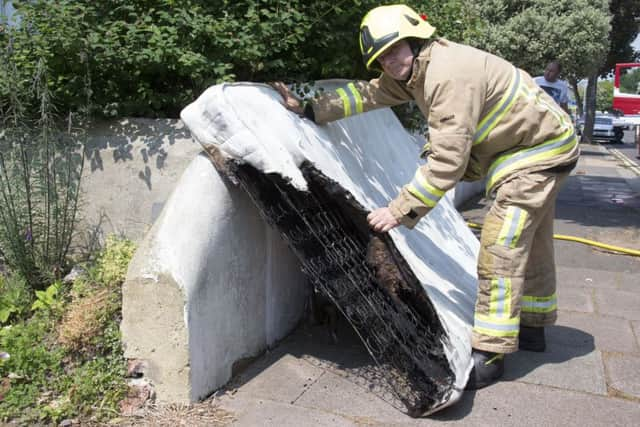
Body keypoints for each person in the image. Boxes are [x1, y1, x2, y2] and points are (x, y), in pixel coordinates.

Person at [273, 4, 579, 390]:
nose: (388, 62)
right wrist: (313, 109)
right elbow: (369, 94)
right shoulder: (416, 69)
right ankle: (533, 326)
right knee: (530, 240)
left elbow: (447, 164)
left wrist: (398, 210)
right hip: (523, 148)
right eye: (380, 57)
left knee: (501, 242)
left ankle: (492, 350)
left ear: (415, 41)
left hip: (538, 153)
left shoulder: (447, 77)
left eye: (394, 50)